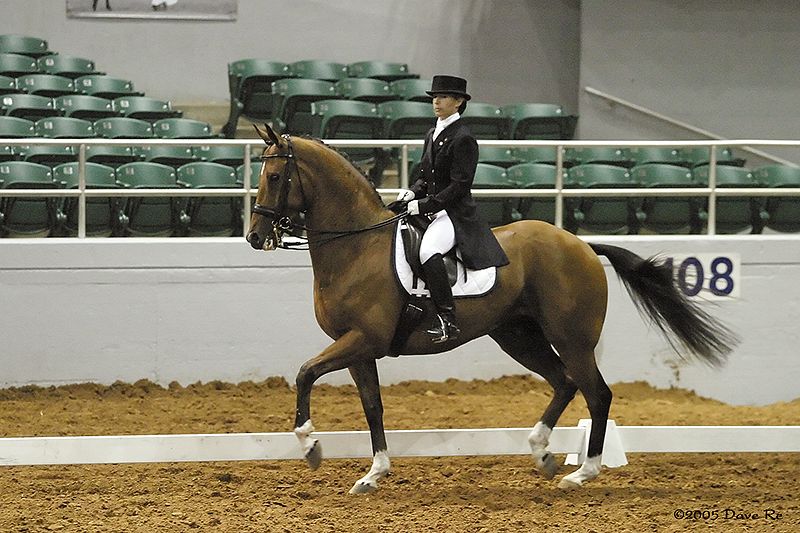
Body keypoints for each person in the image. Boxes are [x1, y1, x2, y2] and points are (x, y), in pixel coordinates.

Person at [396, 75, 509, 344]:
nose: (436, 101)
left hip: (454, 214)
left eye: (443, 97)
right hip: (433, 209)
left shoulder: (463, 138)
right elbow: (427, 176)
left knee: (428, 251)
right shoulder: (432, 132)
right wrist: (413, 191)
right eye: (434, 96)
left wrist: (423, 205)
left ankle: (447, 319)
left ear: (458, 102)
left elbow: (459, 185)